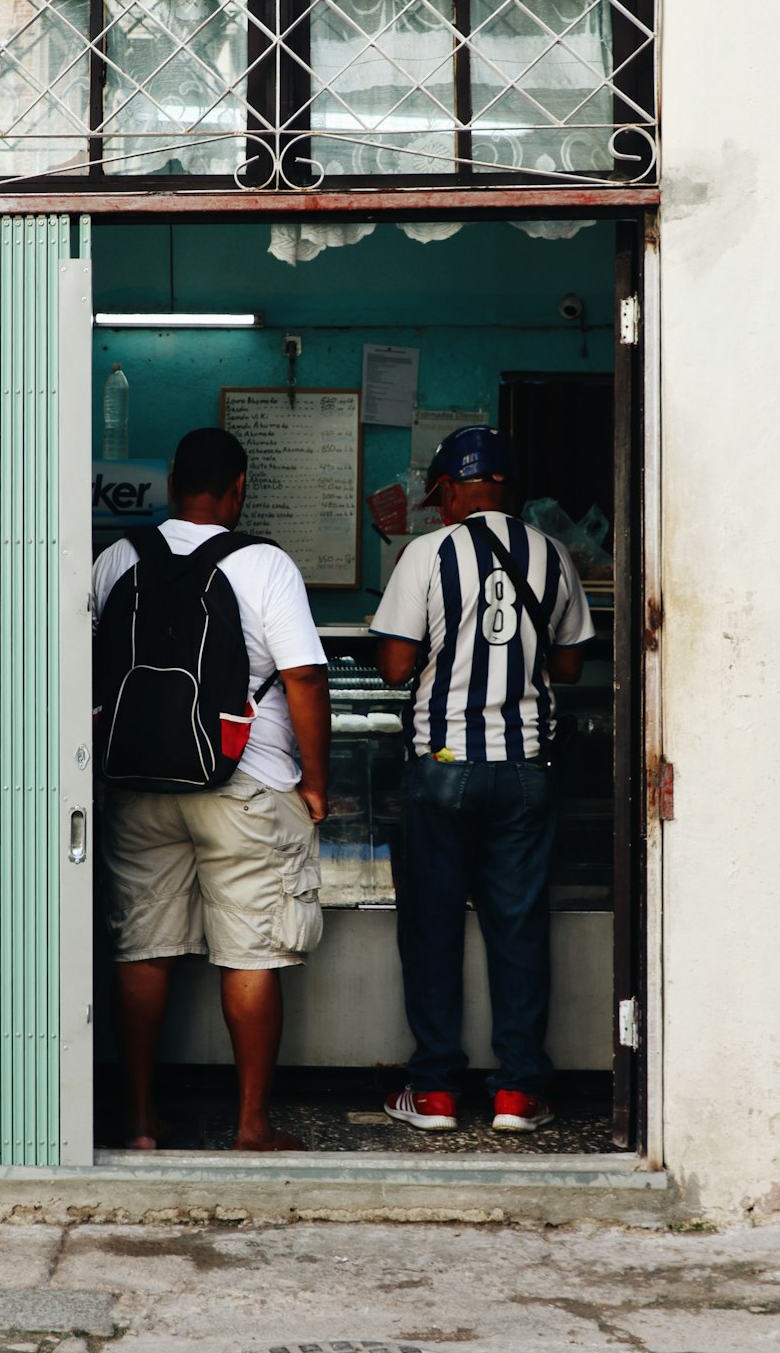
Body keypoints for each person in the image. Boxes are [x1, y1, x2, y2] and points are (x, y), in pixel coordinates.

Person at [92, 427, 330, 1153]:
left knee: (143, 948)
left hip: (135, 784)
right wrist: (316, 784)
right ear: (240, 487)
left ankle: (139, 1122)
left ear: (170, 483)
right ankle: (252, 1126)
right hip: (245, 785)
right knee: (250, 950)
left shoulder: (116, 558)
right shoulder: (265, 564)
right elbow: (305, 679)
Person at [370, 426, 594, 1135]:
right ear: (506, 487)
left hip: (442, 769)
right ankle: (518, 1094)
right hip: (525, 768)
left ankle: (434, 1091)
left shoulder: (426, 554)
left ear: (448, 490)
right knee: (519, 929)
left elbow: (396, 667)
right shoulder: (552, 554)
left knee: (433, 927)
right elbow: (568, 668)